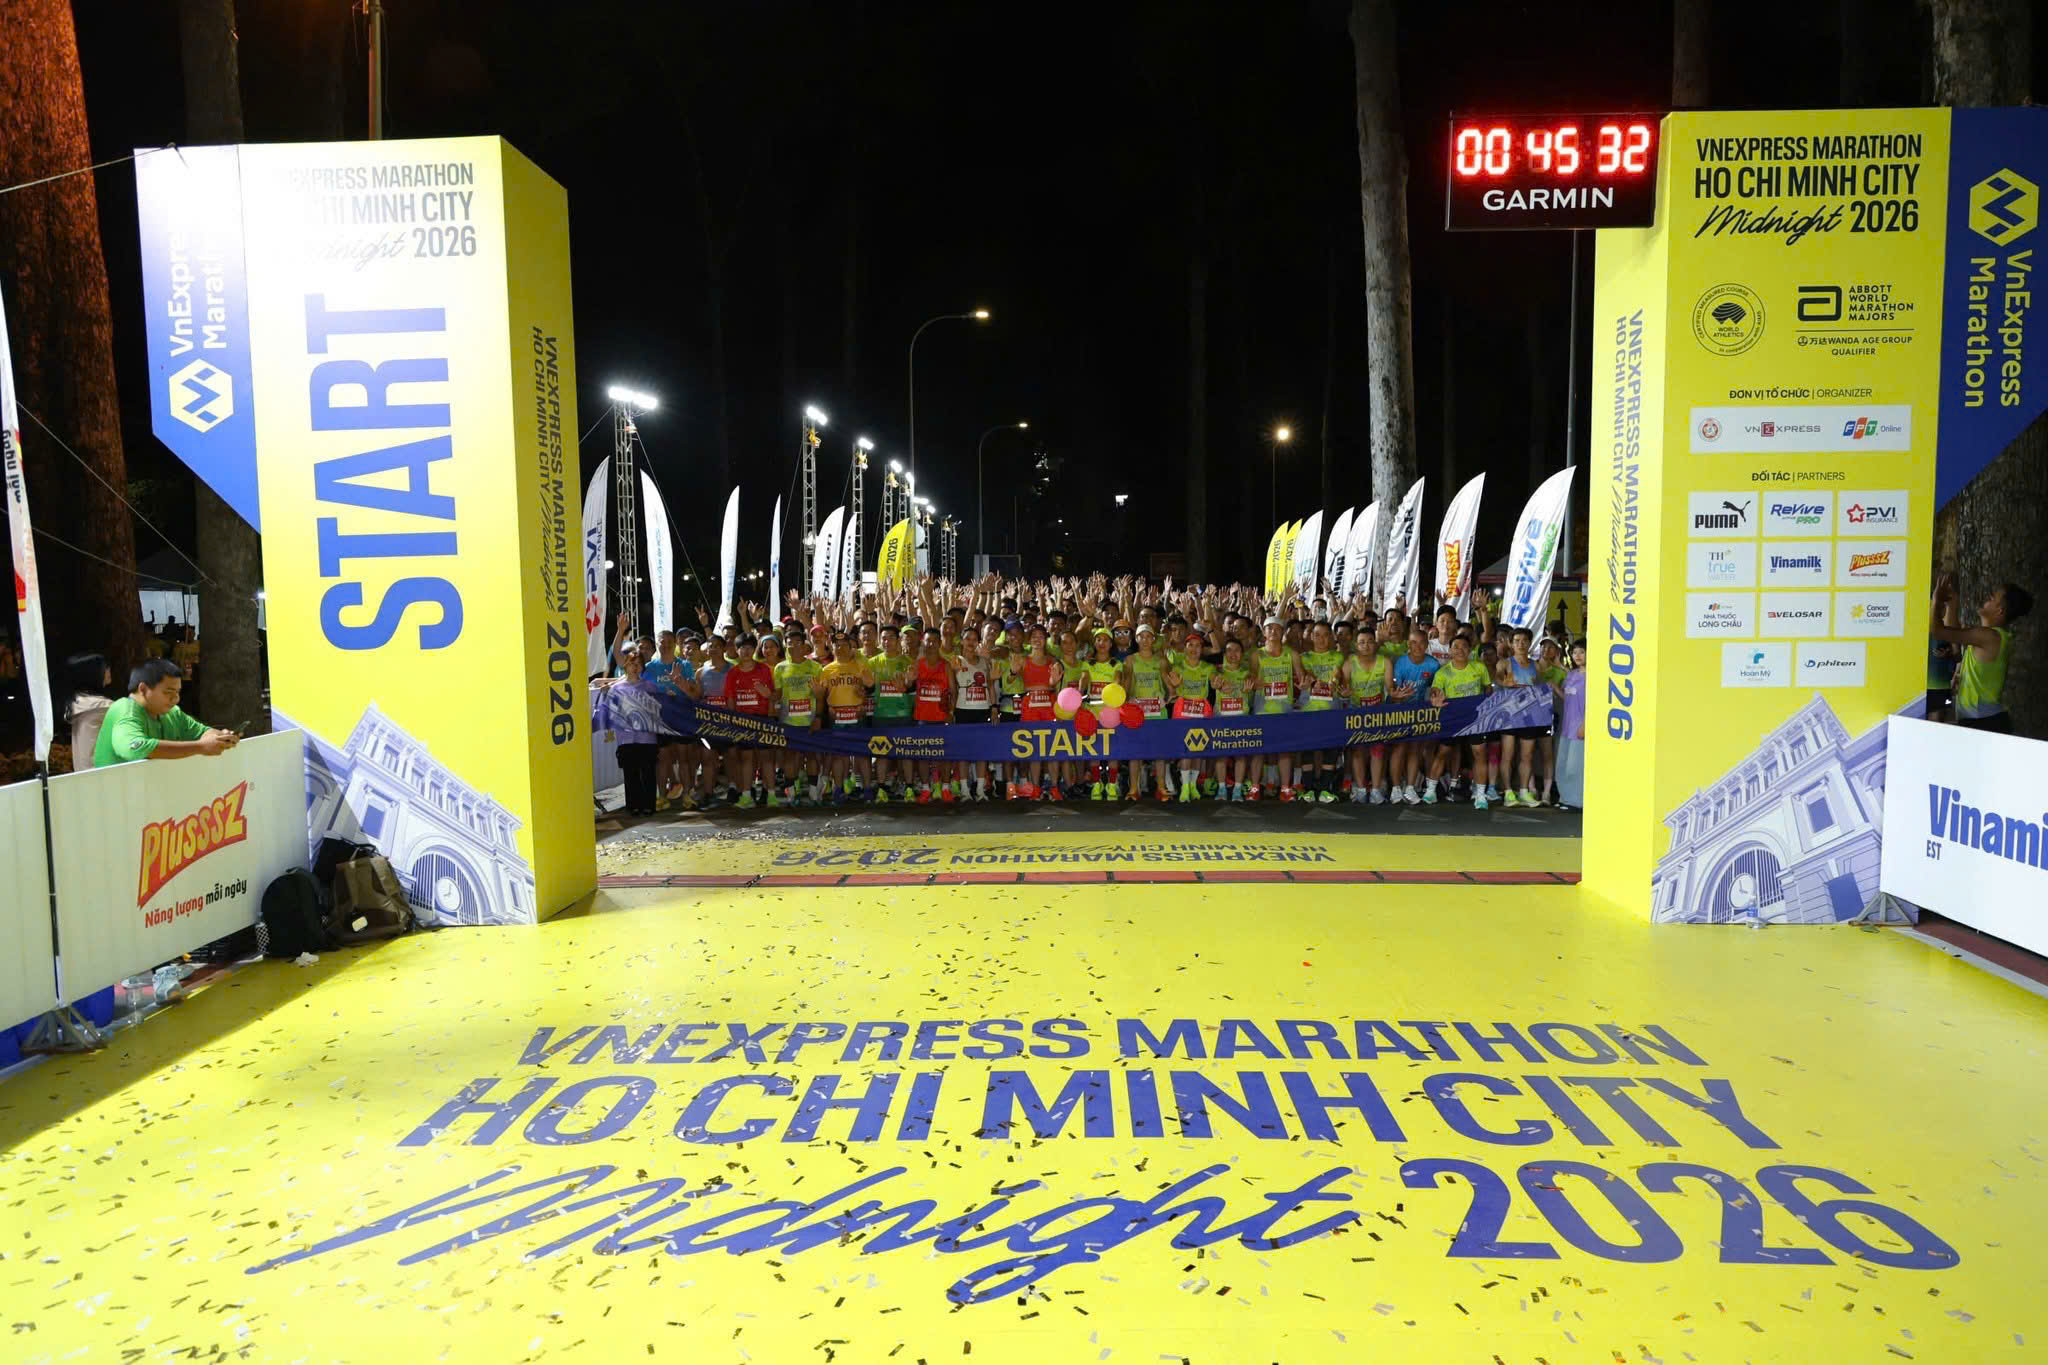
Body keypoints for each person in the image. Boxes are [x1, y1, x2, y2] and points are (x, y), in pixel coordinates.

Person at [1932, 574, 2032, 733]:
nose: (1987, 599)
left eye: (1992, 598)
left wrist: (1936, 600)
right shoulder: (1992, 636)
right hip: (1984, 722)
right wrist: (1952, 605)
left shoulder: (1989, 637)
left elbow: (1938, 632)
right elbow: (1953, 634)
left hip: (1984, 722)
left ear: (2000, 610)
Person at [94, 659, 237, 766]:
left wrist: (220, 738)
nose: (176, 699)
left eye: (177, 692)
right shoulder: (125, 709)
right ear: (143, 689)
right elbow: (135, 748)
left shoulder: (172, 713)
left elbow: (203, 732)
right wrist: (201, 747)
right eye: (168, 692)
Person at [1428, 633, 1494, 809]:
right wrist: (1434, 697)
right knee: (1443, 752)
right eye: (1455, 647)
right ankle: (1430, 791)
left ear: (1470, 650)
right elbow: (1435, 691)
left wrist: (1488, 698)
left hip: (1475, 719)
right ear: (1450, 651)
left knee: (1479, 753)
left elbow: (1488, 688)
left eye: (1464, 646)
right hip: (1452, 718)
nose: (1460, 650)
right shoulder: (1443, 672)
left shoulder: (1479, 668)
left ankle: (1480, 795)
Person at [1387, 628, 1439, 804]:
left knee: (1415, 749)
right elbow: (1393, 691)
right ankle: (1395, 788)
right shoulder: (1400, 663)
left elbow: (1435, 688)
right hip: (1399, 710)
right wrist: (1399, 696)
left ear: (1427, 645)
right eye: (1413, 643)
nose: (1417, 646)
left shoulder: (1433, 664)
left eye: (1421, 643)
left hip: (1420, 713)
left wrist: (1434, 695)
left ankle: (1410, 788)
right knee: (1399, 748)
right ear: (1408, 644)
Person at [1341, 626, 1392, 803]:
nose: (1366, 645)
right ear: (1356, 645)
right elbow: (1343, 687)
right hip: (1356, 712)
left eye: (1370, 641)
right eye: (1362, 642)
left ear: (1375, 644)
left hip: (1377, 712)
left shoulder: (1385, 662)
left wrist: (1395, 693)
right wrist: (1344, 693)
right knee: (1357, 750)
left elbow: (1390, 687)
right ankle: (1361, 789)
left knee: (1377, 750)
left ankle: (1376, 790)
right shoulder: (1350, 663)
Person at [1164, 628, 1215, 802]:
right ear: (1185, 648)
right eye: (1190, 645)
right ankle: (1185, 786)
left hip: (1202, 709)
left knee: (1199, 748)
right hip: (1183, 709)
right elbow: (1172, 685)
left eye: (1198, 646)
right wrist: (1175, 685)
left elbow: (1215, 680)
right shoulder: (1178, 667)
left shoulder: (1207, 667)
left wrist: (1218, 683)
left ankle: (1193, 785)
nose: (1194, 649)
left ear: (1202, 649)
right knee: (1186, 749)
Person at [62, 652, 115, 771]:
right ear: (92, 674)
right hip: (103, 773)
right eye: (105, 667)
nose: (109, 670)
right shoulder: (101, 707)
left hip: (84, 772)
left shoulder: (78, 702)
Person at [1555, 638, 1588, 810]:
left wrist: (1585, 725)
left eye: (1582, 652)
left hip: (1580, 728)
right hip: (1567, 727)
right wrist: (1555, 687)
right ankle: (1565, 798)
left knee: (1575, 767)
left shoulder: (1595, 676)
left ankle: (1577, 801)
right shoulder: (1571, 674)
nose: (1578, 656)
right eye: (1574, 652)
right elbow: (1567, 697)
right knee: (1563, 765)